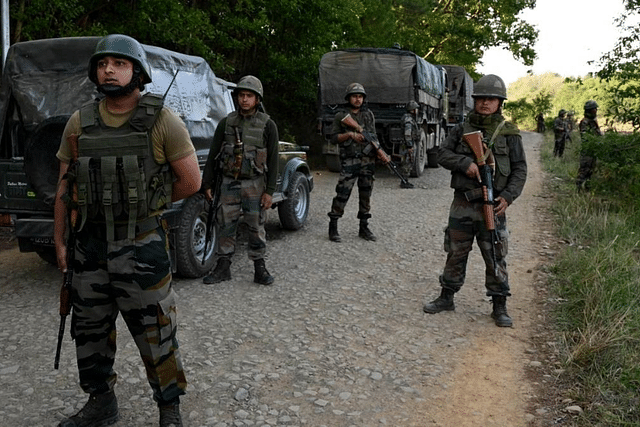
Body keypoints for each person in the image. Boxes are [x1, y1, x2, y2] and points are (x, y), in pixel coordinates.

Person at [53, 34, 201, 427]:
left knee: (157, 333)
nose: (109, 70)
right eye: (103, 64)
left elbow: (190, 181)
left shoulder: (162, 120)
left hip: (142, 247)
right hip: (90, 248)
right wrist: (60, 241)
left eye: (119, 63)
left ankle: (169, 409)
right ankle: (101, 403)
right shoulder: (79, 122)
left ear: (137, 71)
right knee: (89, 333)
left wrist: (146, 202)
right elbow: (65, 187)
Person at [422, 74, 527, 328]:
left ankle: (499, 305)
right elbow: (442, 154)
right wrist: (465, 163)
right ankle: (447, 297)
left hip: (493, 204)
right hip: (463, 203)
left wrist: (508, 197)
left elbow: (520, 169)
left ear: (500, 102)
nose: (485, 103)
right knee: (456, 251)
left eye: (491, 99)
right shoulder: (461, 129)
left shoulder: (509, 133)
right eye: (480, 98)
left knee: (495, 252)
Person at [201, 75, 279, 286]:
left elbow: (273, 159)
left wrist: (270, 191)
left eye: (249, 96)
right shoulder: (226, 123)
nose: (244, 99)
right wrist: (206, 183)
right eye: (241, 95)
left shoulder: (267, 125)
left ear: (257, 99)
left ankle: (259, 267)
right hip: (228, 183)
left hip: (255, 183)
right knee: (226, 223)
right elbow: (213, 154)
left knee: (255, 225)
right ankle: (223, 266)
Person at [328, 83, 378, 243]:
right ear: (349, 98)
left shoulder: (368, 115)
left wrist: (379, 151)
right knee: (342, 193)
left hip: (367, 161)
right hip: (350, 160)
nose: (358, 99)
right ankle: (333, 226)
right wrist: (349, 135)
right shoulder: (341, 115)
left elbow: (374, 136)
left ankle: (364, 227)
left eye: (360, 96)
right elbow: (333, 137)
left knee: (366, 193)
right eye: (355, 96)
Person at [576, 100, 603, 191]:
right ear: (590, 110)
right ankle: (579, 188)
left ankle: (588, 187)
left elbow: (598, 133)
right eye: (594, 109)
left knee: (591, 169)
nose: (596, 110)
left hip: (593, 149)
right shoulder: (585, 122)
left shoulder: (593, 121)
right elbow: (585, 136)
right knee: (584, 169)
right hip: (587, 149)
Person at [399, 101, 419, 188]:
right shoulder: (409, 120)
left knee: (406, 162)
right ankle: (404, 181)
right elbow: (407, 133)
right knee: (407, 163)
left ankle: (405, 180)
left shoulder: (407, 118)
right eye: (416, 109)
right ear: (413, 110)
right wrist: (410, 146)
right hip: (407, 145)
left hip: (405, 144)